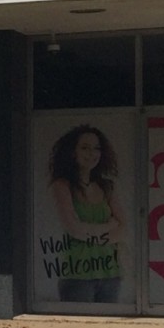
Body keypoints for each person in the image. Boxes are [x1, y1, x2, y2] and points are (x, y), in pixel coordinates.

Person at [47, 124, 124, 303]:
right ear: (72, 152)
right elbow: (73, 229)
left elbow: (123, 227)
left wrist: (88, 233)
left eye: (96, 148)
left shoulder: (107, 186)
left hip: (110, 272)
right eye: (85, 148)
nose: (92, 153)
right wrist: (109, 226)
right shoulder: (62, 185)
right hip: (77, 273)